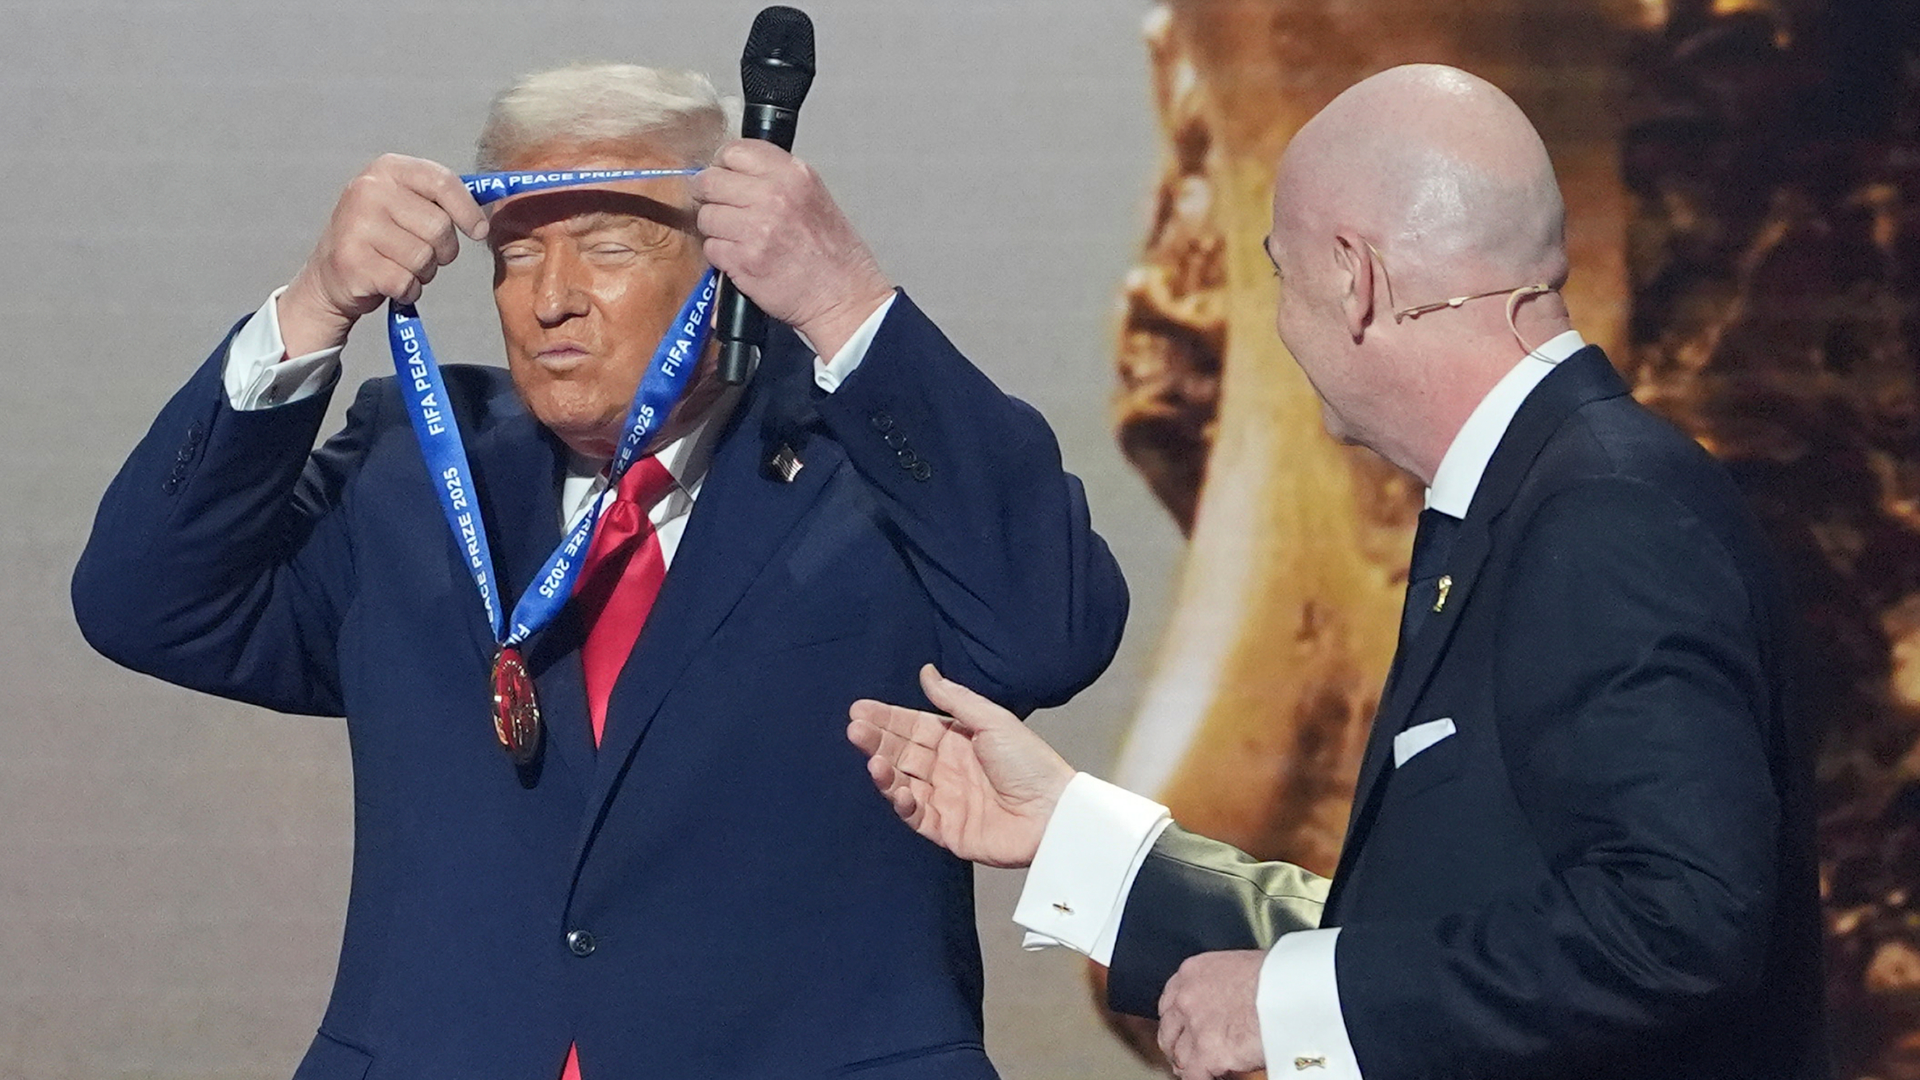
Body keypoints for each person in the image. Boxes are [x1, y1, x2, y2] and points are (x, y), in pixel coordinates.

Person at [72, 63, 1127, 1080]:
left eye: (607, 246)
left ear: (729, 259)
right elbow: (146, 602)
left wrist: (844, 299)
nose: (551, 300)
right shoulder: (416, 467)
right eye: (517, 255)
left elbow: (1051, 631)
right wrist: (312, 306)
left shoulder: (875, 467)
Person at [847, 64, 1823, 1080]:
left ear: (1355, 278)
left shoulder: (1604, 514)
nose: (1276, 319)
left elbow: (1676, 923)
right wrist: (1071, 834)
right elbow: (1435, 931)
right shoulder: (1539, 501)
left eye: (1279, 271)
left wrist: (1298, 1004)